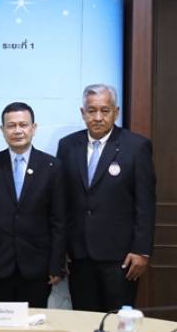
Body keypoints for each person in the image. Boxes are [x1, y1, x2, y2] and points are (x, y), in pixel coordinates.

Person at [57, 84, 156, 312]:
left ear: (116, 112)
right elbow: (62, 201)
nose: (98, 117)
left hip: (121, 257)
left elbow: (145, 203)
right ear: (83, 113)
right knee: (84, 320)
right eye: (91, 111)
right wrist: (61, 249)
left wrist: (141, 250)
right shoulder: (68, 145)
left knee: (117, 321)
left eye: (105, 110)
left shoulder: (136, 147)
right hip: (79, 256)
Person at [0, 102, 66, 308]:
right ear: (2, 129)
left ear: (34, 128)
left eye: (23, 125)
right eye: (11, 125)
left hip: (38, 268)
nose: (17, 130)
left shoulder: (52, 167)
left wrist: (56, 264)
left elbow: (58, 221)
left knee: (34, 322)